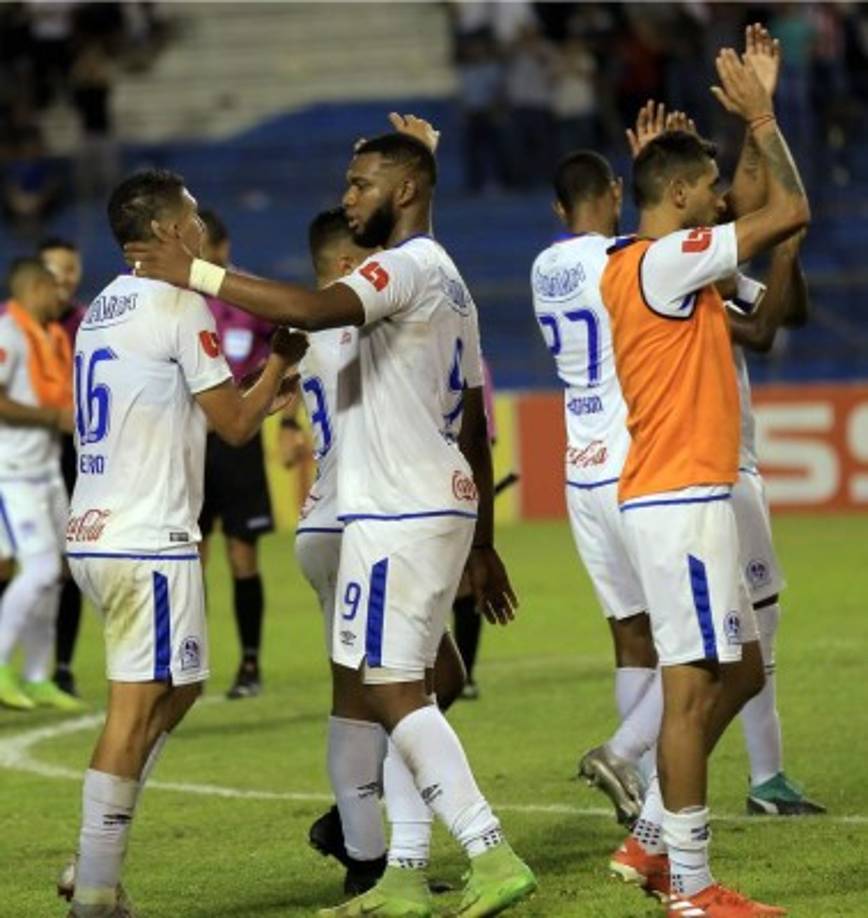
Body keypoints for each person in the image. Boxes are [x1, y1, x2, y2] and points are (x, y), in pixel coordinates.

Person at [127, 131, 536, 918]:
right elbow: (477, 426)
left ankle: (489, 851)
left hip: (395, 508)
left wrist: (199, 273)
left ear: (406, 189)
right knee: (403, 687)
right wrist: (483, 540)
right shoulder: (449, 280)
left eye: (360, 185)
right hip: (430, 501)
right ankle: (405, 874)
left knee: (391, 691)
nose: (347, 200)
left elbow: (316, 307)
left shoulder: (399, 268)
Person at [599, 46, 809, 917]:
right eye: (709, 186)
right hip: (680, 499)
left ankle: (652, 837)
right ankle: (688, 887)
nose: (722, 197)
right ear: (679, 202)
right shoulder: (663, 263)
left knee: (743, 670)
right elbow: (790, 207)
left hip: (691, 496)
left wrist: (741, 152)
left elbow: (765, 301)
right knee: (688, 696)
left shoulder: (657, 267)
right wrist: (761, 120)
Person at [62, 168, 305, 918]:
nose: (201, 231)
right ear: (169, 232)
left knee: (184, 686)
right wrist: (278, 366)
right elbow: (233, 423)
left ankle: (93, 856)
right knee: (134, 711)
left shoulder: (101, 305)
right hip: (148, 536)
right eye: (194, 220)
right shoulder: (180, 301)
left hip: (96, 528)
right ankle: (94, 890)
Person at [297, 201, 469, 897]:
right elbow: (426, 293)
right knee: (392, 691)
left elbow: (429, 279)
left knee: (420, 682)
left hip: (326, 519)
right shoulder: (353, 322)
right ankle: (369, 858)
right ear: (349, 270)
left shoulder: (310, 338)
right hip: (362, 516)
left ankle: (360, 830)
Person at [531, 148, 657, 826]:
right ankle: (644, 774)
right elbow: (664, 248)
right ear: (615, 192)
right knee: (688, 640)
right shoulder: (625, 256)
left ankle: (641, 798)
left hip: (579, 467)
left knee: (629, 634)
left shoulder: (543, 264)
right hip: (634, 462)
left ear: (557, 208)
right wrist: (651, 176)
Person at [197, 209, 277, 699]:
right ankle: (193, 663)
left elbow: (291, 345)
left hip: (240, 444)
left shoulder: (252, 298)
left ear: (222, 250)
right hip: (191, 444)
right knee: (191, 557)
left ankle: (250, 665)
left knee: (242, 556)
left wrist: (285, 416)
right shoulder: (177, 301)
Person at [0, 257, 80, 712]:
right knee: (40, 570)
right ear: (33, 288)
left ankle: (35, 675)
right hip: (12, 474)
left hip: (47, 470)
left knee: (56, 578)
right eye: (55, 289)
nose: (62, 297)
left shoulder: (50, 336)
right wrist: (51, 417)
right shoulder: (7, 334)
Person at [39, 236, 86, 698]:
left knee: (68, 565)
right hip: (19, 456)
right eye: (56, 270)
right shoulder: (11, 326)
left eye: (71, 269)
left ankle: (63, 666)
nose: (65, 279)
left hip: (71, 456)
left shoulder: (89, 323)